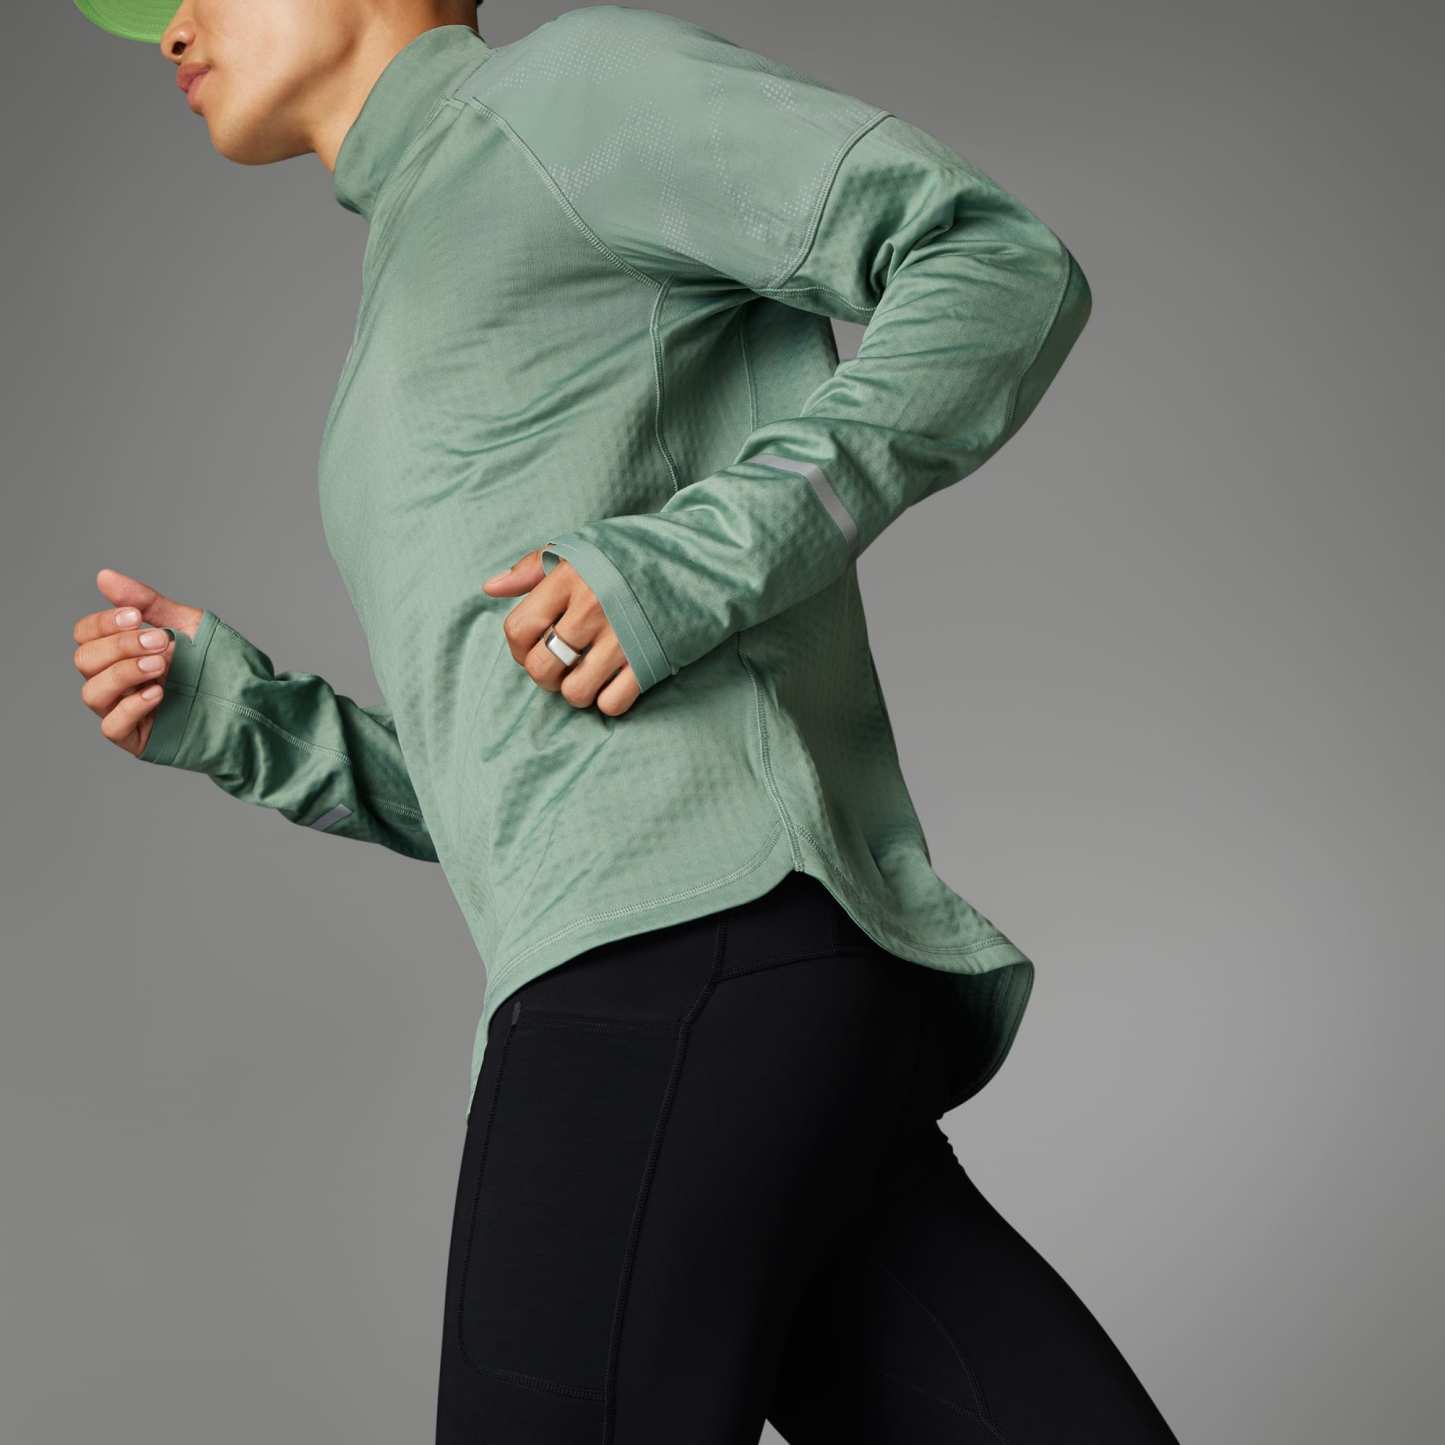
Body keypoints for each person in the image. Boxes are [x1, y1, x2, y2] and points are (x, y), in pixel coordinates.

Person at [70, 2, 1179, 1441]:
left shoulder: (568, 100)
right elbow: (530, 764)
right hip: (716, 979)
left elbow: (993, 261)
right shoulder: (413, 262)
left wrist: (696, 560)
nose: (171, 27)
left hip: (675, 968)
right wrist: (246, 722)